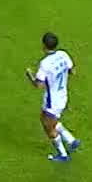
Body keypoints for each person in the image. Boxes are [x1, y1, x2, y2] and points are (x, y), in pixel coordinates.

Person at [26, 32, 80, 162]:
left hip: (52, 101)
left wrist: (30, 75)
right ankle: (71, 140)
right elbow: (72, 71)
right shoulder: (63, 54)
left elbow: (39, 85)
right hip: (63, 95)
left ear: (44, 46)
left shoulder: (45, 64)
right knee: (47, 119)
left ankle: (63, 155)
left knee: (48, 126)